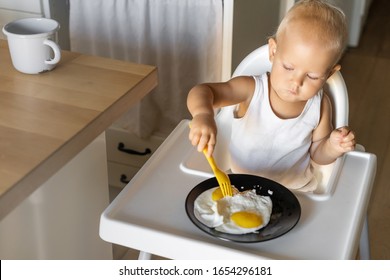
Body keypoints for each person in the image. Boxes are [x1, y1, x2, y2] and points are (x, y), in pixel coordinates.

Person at [186, 0, 356, 191]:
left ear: (329, 74)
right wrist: (203, 115)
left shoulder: (320, 106)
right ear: (273, 51)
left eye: (312, 76)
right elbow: (202, 91)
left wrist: (333, 147)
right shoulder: (251, 89)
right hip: (239, 187)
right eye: (288, 67)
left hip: (295, 194)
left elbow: (318, 154)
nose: (296, 82)